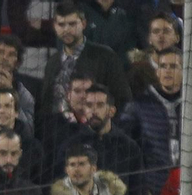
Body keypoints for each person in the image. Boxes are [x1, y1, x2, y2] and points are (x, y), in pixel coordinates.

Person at [118, 48, 192, 195]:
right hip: (151, 192)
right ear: (157, 71)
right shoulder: (138, 106)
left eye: (174, 66)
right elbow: (127, 151)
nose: (167, 71)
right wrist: (141, 187)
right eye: (163, 66)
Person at [41, 1, 131, 129]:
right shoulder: (52, 63)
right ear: (55, 26)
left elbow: (123, 100)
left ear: (83, 24)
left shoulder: (105, 57)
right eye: (61, 24)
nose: (66, 29)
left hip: (95, 134)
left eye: (72, 24)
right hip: (57, 135)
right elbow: (46, 106)